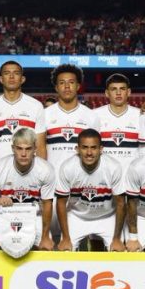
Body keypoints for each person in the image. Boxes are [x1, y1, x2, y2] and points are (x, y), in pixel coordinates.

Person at [44, 64, 100, 240]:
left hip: (81, 185)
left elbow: (96, 153)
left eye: (71, 82)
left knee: (79, 236)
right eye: (62, 83)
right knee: (52, 238)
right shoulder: (44, 115)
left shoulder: (90, 116)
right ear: (56, 87)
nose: (67, 87)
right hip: (51, 185)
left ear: (78, 86)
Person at [0, 127, 55, 253]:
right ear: (13, 148)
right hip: (2, 213)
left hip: (33, 215)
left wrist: (45, 236)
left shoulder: (45, 169)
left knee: (45, 248)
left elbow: (47, 204)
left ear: (35, 149)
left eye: (28, 149)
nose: (23, 154)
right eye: (19, 148)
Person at [55, 129, 126, 252]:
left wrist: (117, 238)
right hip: (77, 216)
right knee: (66, 251)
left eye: (93, 148)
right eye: (84, 147)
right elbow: (61, 203)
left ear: (101, 149)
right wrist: (66, 238)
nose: (89, 152)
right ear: (77, 149)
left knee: (117, 251)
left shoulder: (113, 167)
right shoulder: (67, 167)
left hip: (107, 216)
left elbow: (121, 203)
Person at [0, 60, 47, 176]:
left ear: (22, 79)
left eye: (16, 73)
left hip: (29, 173)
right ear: (1, 79)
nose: (11, 76)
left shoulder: (36, 106)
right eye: (7, 73)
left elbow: (41, 147)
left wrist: (42, 175)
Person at [94, 73, 141, 169]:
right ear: (107, 93)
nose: (118, 93)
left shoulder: (140, 116)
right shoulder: (95, 115)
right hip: (104, 176)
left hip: (132, 178)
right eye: (114, 89)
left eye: (122, 89)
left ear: (128, 92)